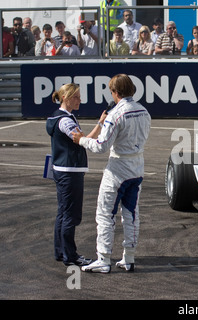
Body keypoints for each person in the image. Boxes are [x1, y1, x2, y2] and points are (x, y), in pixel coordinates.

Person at [72, 74, 151, 273]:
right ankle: (129, 258)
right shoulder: (144, 111)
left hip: (117, 169)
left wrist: (81, 140)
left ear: (115, 93)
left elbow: (101, 146)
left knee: (105, 214)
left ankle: (104, 259)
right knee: (131, 214)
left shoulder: (116, 114)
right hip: (137, 167)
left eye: (112, 92)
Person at [46, 83, 107, 267]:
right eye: (76, 97)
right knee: (70, 215)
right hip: (69, 171)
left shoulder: (59, 117)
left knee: (63, 213)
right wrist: (100, 124)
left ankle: (61, 251)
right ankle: (70, 255)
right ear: (65, 97)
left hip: (62, 169)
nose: (80, 100)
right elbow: (82, 140)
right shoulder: (65, 121)